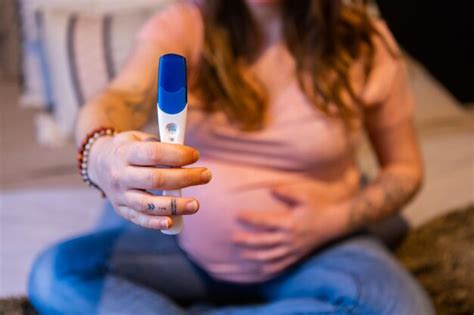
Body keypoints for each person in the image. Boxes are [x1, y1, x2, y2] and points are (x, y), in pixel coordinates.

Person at [28, 0, 434, 314]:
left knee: (397, 308)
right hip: (183, 249)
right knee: (56, 275)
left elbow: (405, 168)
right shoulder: (187, 26)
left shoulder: (366, 44)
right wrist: (100, 152)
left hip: (317, 249)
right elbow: (120, 97)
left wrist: (332, 220)